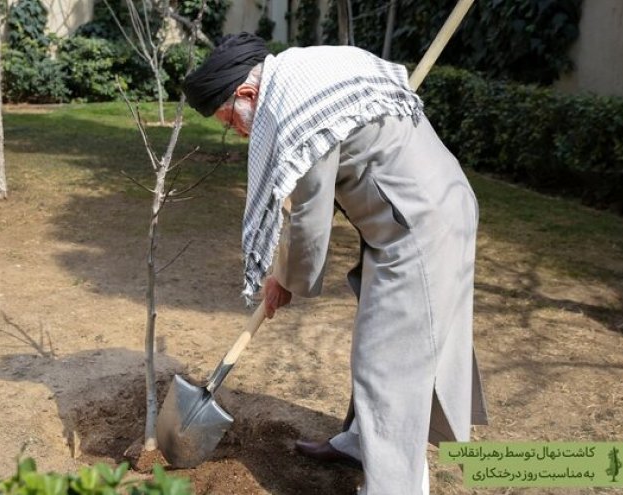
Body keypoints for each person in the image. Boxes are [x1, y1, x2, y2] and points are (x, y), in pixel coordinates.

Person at [183, 32, 488, 495]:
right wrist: (284, 270)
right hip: (415, 212)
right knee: (381, 345)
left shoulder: (300, 108)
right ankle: (362, 442)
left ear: (247, 94)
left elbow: (310, 214)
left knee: (387, 366)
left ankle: (396, 488)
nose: (237, 131)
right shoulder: (306, 73)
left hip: (419, 226)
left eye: (231, 119)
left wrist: (284, 279)